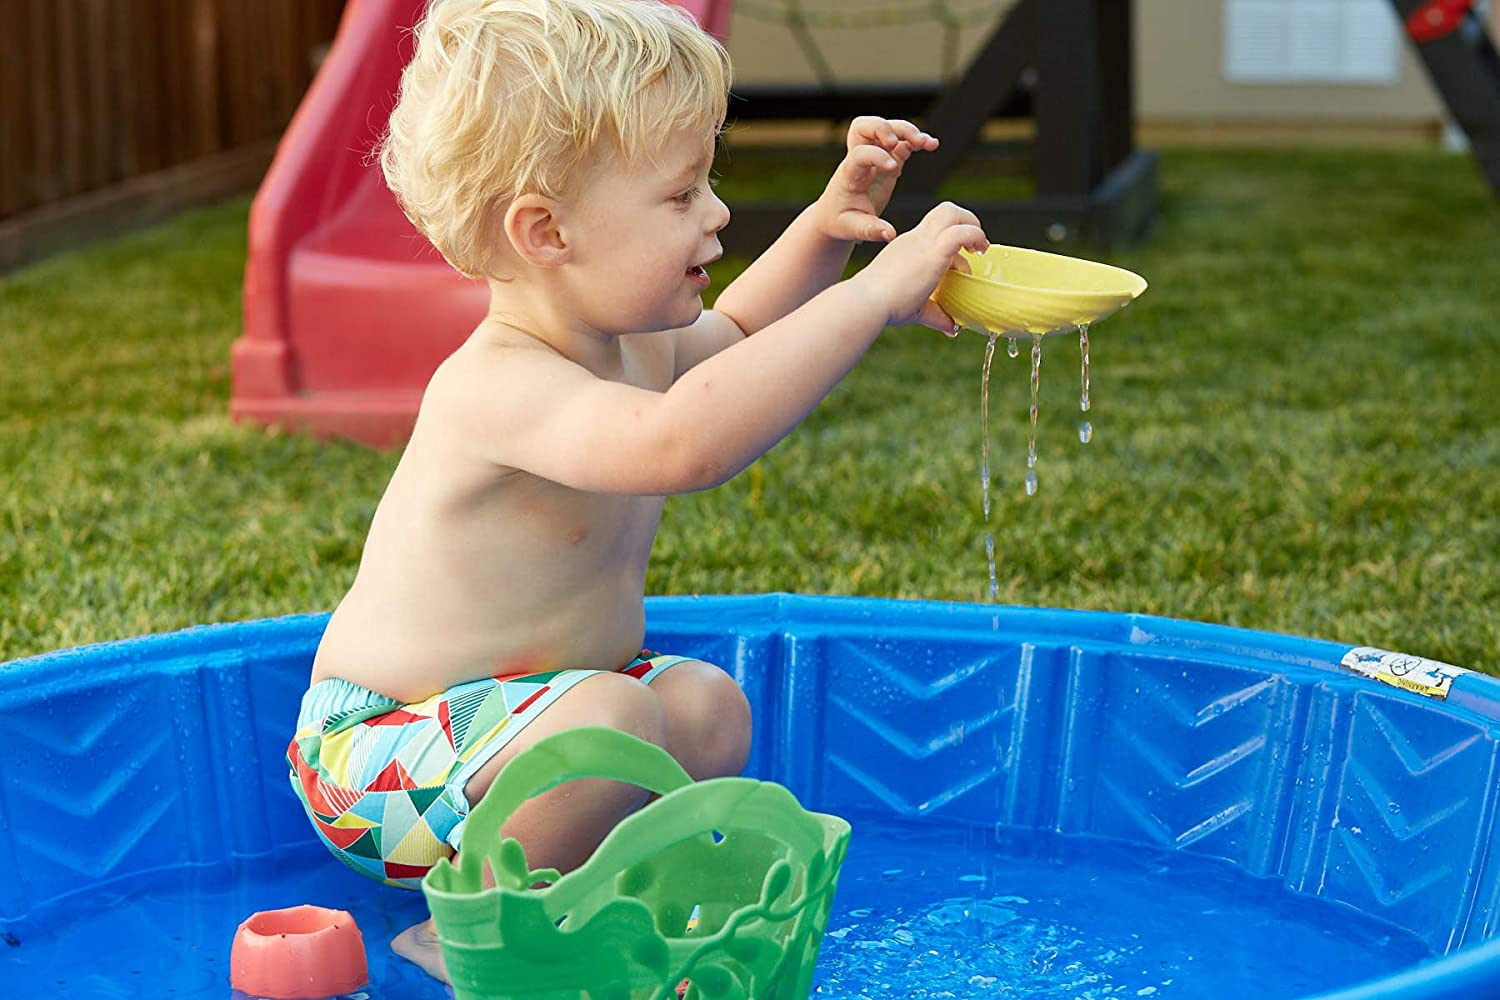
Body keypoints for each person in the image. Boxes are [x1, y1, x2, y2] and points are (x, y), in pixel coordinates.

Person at [284, 0, 988, 982]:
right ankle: (479, 927)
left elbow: (741, 335)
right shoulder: (497, 384)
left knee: (704, 708)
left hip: (529, 719)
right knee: (611, 722)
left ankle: (593, 892)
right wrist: (871, 296)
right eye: (680, 195)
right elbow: (682, 443)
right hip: (380, 761)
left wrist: (831, 230)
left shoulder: (631, 347)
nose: (717, 214)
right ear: (546, 231)